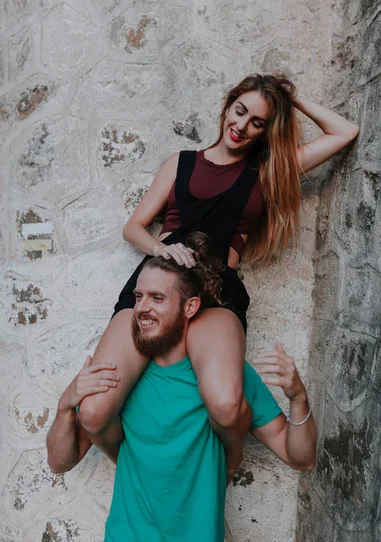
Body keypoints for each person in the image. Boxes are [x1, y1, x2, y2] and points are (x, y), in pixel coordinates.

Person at [75, 73, 357, 481]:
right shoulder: (181, 163)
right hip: (156, 287)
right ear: (227, 106)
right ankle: (139, 468)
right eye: (240, 111)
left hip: (217, 296)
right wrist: (159, 248)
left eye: (257, 122)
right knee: (96, 410)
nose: (242, 126)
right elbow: (134, 227)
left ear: (265, 131)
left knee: (226, 405)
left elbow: (345, 131)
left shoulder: (270, 171)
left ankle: (230, 460)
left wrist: (287, 99)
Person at [47, 232, 317, 542]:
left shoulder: (229, 376)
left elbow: (299, 457)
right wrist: (66, 405)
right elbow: (60, 461)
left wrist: (298, 398)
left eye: (157, 298)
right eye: (139, 296)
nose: (142, 307)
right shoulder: (118, 380)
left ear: (190, 308)